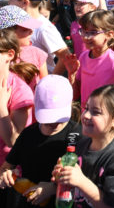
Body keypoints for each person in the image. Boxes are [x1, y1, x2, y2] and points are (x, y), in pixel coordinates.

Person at [52, 85, 114, 208]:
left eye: (96, 112)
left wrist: (81, 181)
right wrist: (63, 178)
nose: (86, 115)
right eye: (87, 108)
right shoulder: (82, 145)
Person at [0, 75, 81, 208]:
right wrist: (6, 175)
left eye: (58, 117)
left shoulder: (78, 135)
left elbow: (87, 180)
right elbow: (7, 167)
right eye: (47, 117)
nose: (53, 123)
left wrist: (54, 188)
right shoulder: (28, 134)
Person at [0, 0, 69, 74]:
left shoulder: (44, 28)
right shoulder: (12, 21)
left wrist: (47, 82)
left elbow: (65, 56)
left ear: (25, 2)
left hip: (37, 80)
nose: (8, 3)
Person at [64, 10, 114, 107]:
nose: (86, 37)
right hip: (86, 116)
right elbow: (75, 95)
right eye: (83, 31)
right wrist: (72, 74)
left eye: (92, 32)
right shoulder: (83, 57)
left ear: (109, 34)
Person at [0, 28, 35, 166]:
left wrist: (2, 107)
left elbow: (13, 141)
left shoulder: (20, 92)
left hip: (6, 170)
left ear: (10, 54)